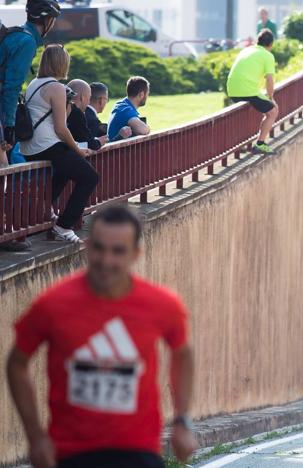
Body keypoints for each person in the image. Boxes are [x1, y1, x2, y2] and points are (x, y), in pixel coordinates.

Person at [7, 205, 197, 468]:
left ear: (136, 254)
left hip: (137, 451)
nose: (107, 260)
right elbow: (17, 362)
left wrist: (182, 419)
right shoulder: (53, 304)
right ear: (87, 246)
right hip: (71, 454)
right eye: (99, 248)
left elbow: (182, 352)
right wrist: (35, 437)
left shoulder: (162, 305)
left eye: (118, 251)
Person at [20, 45, 98, 244]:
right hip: (46, 144)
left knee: (65, 171)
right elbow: (61, 129)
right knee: (90, 177)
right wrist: (78, 150)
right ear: (61, 63)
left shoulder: (34, 84)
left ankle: (44, 209)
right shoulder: (57, 88)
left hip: (29, 146)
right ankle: (63, 226)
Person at [0, 0, 61, 252]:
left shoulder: (17, 35)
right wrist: (10, 126)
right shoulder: (25, 42)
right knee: (6, 171)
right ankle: (7, 234)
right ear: (48, 20)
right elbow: (11, 87)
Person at [226, 29, 279, 154]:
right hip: (247, 91)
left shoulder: (247, 49)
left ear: (258, 41)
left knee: (252, 109)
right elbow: (270, 80)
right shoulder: (267, 55)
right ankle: (260, 144)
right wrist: (271, 97)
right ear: (271, 44)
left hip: (232, 89)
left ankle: (242, 144)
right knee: (273, 111)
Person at [107, 76, 150, 142]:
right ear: (141, 94)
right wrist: (148, 128)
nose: (147, 97)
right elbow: (142, 130)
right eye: (147, 94)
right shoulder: (125, 109)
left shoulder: (121, 104)